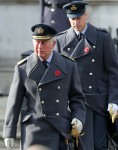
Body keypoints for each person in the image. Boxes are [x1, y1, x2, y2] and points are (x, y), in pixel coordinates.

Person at [2, 23, 86, 150]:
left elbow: (77, 98)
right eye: (36, 42)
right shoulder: (23, 68)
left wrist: (78, 118)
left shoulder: (68, 65)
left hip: (59, 129)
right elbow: (14, 102)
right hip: (33, 130)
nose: (39, 46)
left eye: (44, 42)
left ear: (53, 44)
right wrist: (9, 131)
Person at [54, 0, 118, 150]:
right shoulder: (60, 40)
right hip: (74, 105)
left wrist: (114, 100)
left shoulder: (102, 37)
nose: (75, 22)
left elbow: (114, 72)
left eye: (78, 18)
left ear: (85, 15)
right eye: (72, 18)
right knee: (79, 146)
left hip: (97, 104)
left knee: (98, 146)